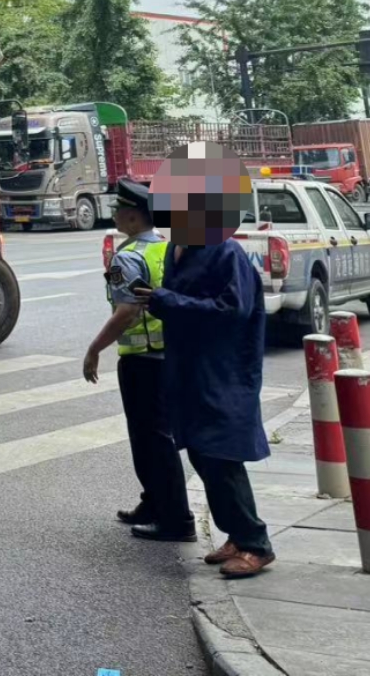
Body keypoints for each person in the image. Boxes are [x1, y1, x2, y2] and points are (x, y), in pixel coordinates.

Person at [132, 143, 275, 579]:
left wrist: (166, 300)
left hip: (222, 372)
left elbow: (230, 312)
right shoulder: (179, 248)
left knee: (221, 455)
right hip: (188, 369)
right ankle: (235, 533)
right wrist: (157, 301)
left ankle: (255, 543)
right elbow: (176, 303)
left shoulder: (225, 252)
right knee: (199, 451)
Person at [82, 177, 194, 541]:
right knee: (154, 437)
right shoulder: (164, 248)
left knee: (152, 441)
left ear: (133, 217)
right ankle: (154, 503)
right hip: (167, 355)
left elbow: (126, 311)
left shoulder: (126, 257)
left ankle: (176, 520)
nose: (114, 215)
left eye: (118, 210)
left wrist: (95, 348)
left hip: (142, 359)